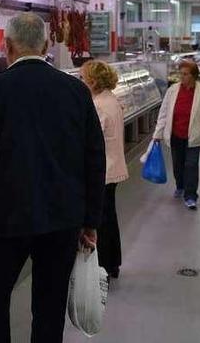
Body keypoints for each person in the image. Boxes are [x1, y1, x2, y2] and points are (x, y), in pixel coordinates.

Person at [0, 13, 106, 343]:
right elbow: (94, 160)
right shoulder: (76, 91)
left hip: (4, 224)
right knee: (49, 306)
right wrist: (90, 221)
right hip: (62, 219)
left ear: (7, 46)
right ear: (45, 45)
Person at [80, 60, 128, 279]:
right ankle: (113, 263)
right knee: (109, 216)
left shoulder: (98, 105)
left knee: (101, 219)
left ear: (93, 81)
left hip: (104, 170)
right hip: (113, 166)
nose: (82, 82)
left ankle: (105, 264)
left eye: (83, 78)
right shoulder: (112, 100)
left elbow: (90, 139)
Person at [152, 60, 200, 209]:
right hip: (175, 136)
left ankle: (191, 196)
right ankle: (180, 185)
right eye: (181, 73)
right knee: (177, 165)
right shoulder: (172, 91)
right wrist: (157, 133)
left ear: (193, 76)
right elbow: (164, 113)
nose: (182, 76)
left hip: (193, 137)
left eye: (185, 74)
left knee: (191, 166)